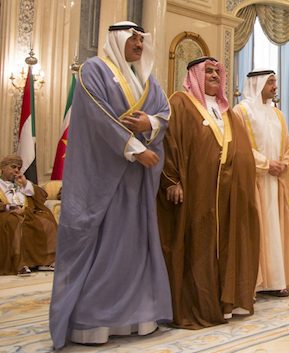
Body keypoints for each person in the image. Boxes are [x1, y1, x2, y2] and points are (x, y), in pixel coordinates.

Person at [49, 21, 172, 349]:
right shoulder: (94, 70)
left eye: (141, 39)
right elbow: (97, 117)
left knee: (133, 249)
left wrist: (152, 123)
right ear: (116, 40)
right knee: (105, 249)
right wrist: (136, 148)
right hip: (104, 179)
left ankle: (135, 317)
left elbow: (164, 111)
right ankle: (93, 323)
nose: (138, 44)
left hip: (136, 182)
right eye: (132, 38)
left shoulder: (145, 78)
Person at [157, 56, 259, 329]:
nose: (214, 75)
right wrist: (171, 181)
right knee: (197, 246)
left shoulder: (228, 111)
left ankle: (224, 302)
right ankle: (198, 305)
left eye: (217, 72)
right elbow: (169, 143)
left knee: (226, 245)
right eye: (208, 71)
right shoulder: (180, 103)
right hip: (195, 192)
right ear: (194, 75)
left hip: (228, 195)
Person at [233, 69, 289, 297]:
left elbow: (286, 146)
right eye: (270, 82)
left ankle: (276, 280)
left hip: (275, 181)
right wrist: (266, 164)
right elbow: (241, 147)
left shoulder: (277, 114)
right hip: (255, 179)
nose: (275, 87)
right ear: (257, 84)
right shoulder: (242, 111)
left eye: (275, 82)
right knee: (257, 228)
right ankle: (255, 282)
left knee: (275, 230)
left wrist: (283, 164)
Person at [0, 154, 56, 276]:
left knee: (47, 220)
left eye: (19, 168)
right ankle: (18, 264)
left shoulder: (21, 183)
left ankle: (45, 261)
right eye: (13, 167)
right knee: (13, 221)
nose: (16, 170)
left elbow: (42, 196)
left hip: (26, 214)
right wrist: (10, 207)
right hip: (5, 214)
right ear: (3, 168)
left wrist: (25, 184)